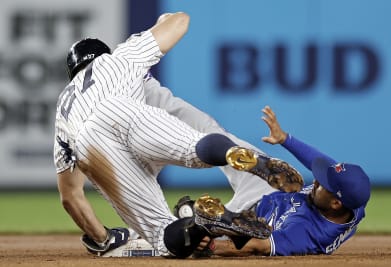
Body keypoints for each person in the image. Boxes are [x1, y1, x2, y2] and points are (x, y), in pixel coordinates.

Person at [53, 12, 296, 258]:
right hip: (122, 108)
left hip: (89, 143)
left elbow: (70, 197)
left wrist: (102, 239)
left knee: (164, 236)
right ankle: (231, 153)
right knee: (194, 147)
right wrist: (163, 20)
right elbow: (181, 21)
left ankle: (199, 223)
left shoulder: (63, 107)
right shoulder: (119, 58)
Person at [187, 105, 371, 257]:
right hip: (269, 187)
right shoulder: (353, 197)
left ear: (336, 203)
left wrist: (211, 246)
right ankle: (158, 97)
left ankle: (185, 219)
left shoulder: (306, 233)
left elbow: (258, 246)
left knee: (187, 234)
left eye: (322, 184)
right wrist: (285, 139)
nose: (315, 181)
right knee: (217, 137)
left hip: (248, 221)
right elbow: (319, 162)